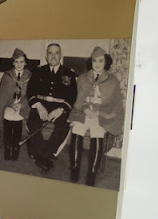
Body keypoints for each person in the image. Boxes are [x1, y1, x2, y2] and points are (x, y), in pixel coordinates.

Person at [68, 46, 123, 186]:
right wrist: (85, 109)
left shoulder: (112, 80)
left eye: (100, 61)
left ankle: (92, 173)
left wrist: (99, 113)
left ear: (106, 62)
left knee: (97, 132)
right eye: (94, 61)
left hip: (101, 114)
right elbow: (77, 98)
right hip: (83, 112)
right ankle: (75, 168)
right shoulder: (82, 78)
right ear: (90, 62)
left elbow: (115, 103)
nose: (97, 64)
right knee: (77, 129)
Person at [26, 43, 77, 173]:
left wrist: (60, 109)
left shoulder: (69, 74)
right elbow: (30, 91)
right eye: (50, 53)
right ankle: (43, 157)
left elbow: (72, 96)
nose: (53, 56)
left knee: (64, 126)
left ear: (60, 56)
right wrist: (38, 106)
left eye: (56, 53)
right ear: (46, 56)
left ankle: (44, 154)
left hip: (59, 107)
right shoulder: (38, 71)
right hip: (41, 105)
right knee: (32, 122)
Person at [0, 48, 31, 161]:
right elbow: (2, 95)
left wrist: (22, 104)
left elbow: (31, 95)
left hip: (23, 106)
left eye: (21, 62)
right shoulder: (7, 76)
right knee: (8, 120)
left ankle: (15, 148)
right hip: (9, 106)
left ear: (25, 63)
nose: (19, 64)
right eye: (16, 61)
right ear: (13, 63)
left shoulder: (29, 76)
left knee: (17, 124)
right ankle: (7, 147)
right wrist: (7, 106)